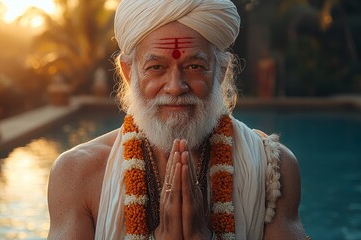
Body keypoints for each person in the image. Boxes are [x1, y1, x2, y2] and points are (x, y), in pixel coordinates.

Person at [47, 0, 309, 239]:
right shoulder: (77, 174)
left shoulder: (272, 170)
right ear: (129, 73)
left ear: (220, 72)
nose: (175, 87)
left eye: (194, 66)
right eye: (156, 67)